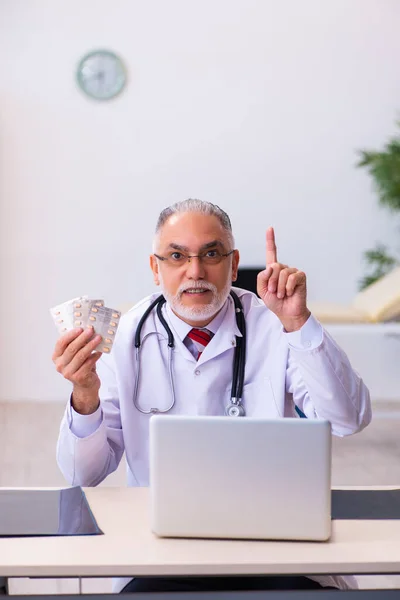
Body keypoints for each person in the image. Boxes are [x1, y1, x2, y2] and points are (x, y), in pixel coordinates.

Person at [54, 199, 371, 593]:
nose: (195, 272)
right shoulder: (124, 337)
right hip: (162, 549)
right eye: (176, 256)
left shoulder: (276, 322)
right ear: (156, 268)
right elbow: (82, 475)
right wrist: (85, 394)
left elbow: (348, 418)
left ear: (233, 265)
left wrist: (298, 324)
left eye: (211, 254)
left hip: (278, 539)